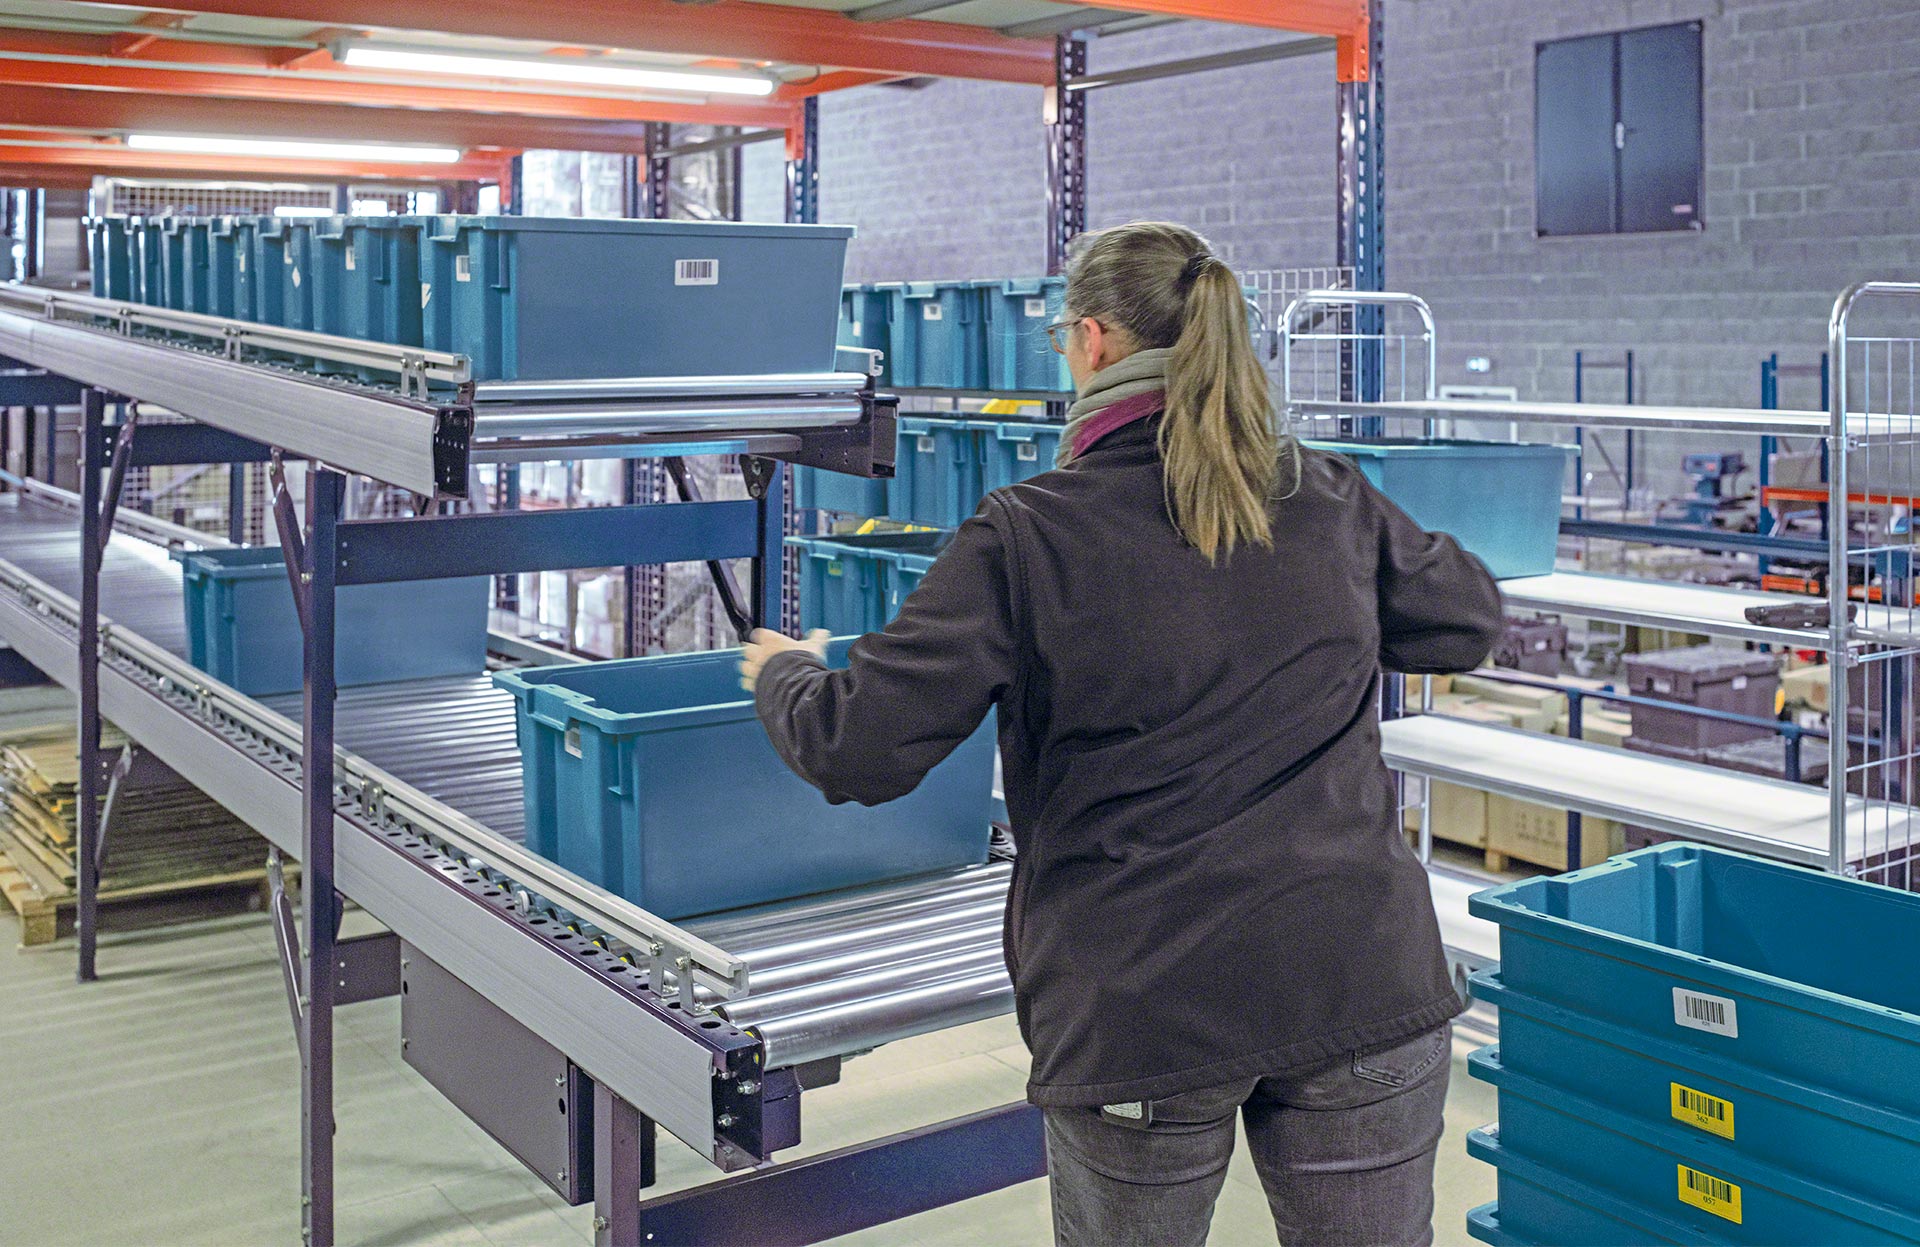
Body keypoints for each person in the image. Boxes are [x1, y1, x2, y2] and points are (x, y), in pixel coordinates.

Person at [741, 220, 1502, 1247]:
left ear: (1093, 341)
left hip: (1147, 1008)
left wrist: (783, 671)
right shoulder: (1324, 493)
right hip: (1359, 975)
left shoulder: (1031, 532)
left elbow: (856, 745)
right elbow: (1465, 618)